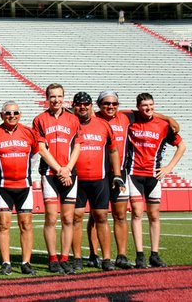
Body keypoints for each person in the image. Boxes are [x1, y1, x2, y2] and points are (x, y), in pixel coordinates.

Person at [85, 90, 179, 269]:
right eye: (106, 103)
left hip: (120, 172)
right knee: (97, 215)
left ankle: (121, 255)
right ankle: (94, 254)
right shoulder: (93, 117)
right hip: (98, 172)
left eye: (114, 104)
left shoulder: (126, 116)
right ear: (98, 105)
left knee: (120, 215)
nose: (111, 107)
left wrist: (167, 118)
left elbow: (146, 111)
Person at [126, 93, 186, 268]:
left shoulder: (163, 125)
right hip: (134, 174)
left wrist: (168, 168)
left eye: (151, 105)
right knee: (137, 213)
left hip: (154, 175)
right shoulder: (131, 122)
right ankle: (139, 255)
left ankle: (154, 254)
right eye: (144, 105)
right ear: (138, 107)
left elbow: (181, 146)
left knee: (154, 215)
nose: (148, 108)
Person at [0, 101, 38, 276]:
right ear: (1, 115)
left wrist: (27, 173)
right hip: (3, 186)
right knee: (3, 224)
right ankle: (6, 262)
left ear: (20, 115)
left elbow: (36, 153)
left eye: (15, 113)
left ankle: (26, 262)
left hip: (25, 186)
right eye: (8, 113)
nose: (12, 116)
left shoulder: (29, 133)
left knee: (26, 225)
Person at [32, 83, 82, 274]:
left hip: (70, 173)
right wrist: (60, 169)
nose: (56, 100)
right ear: (47, 98)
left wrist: (68, 168)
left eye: (59, 96)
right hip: (50, 174)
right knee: (51, 218)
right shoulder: (39, 119)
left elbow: (77, 147)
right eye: (52, 96)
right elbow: (42, 150)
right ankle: (52, 258)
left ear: (64, 97)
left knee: (68, 219)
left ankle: (65, 258)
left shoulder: (73, 119)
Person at [70, 92, 123, 272]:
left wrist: (117, 174)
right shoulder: (69, 125)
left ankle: (106, 258)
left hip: (99, 179)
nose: (82, 107)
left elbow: (114, 151)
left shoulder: (103, 125)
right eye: (79, 104)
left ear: (91, 105)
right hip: (76, 180)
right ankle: (77, 258)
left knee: (101, 217)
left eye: (86, 104)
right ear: (74, 106)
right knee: (76, 218)